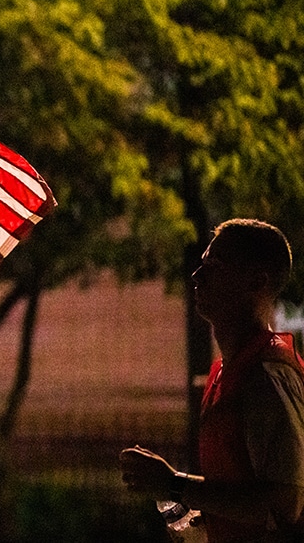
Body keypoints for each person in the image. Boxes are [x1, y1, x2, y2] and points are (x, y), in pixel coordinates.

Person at [120, 218, 304, 542]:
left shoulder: (267, 376)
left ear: (256, 282)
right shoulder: (223, 373)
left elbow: (284, 505)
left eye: (215, 265)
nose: (196, 275)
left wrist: (175, 484)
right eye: (202, 263)